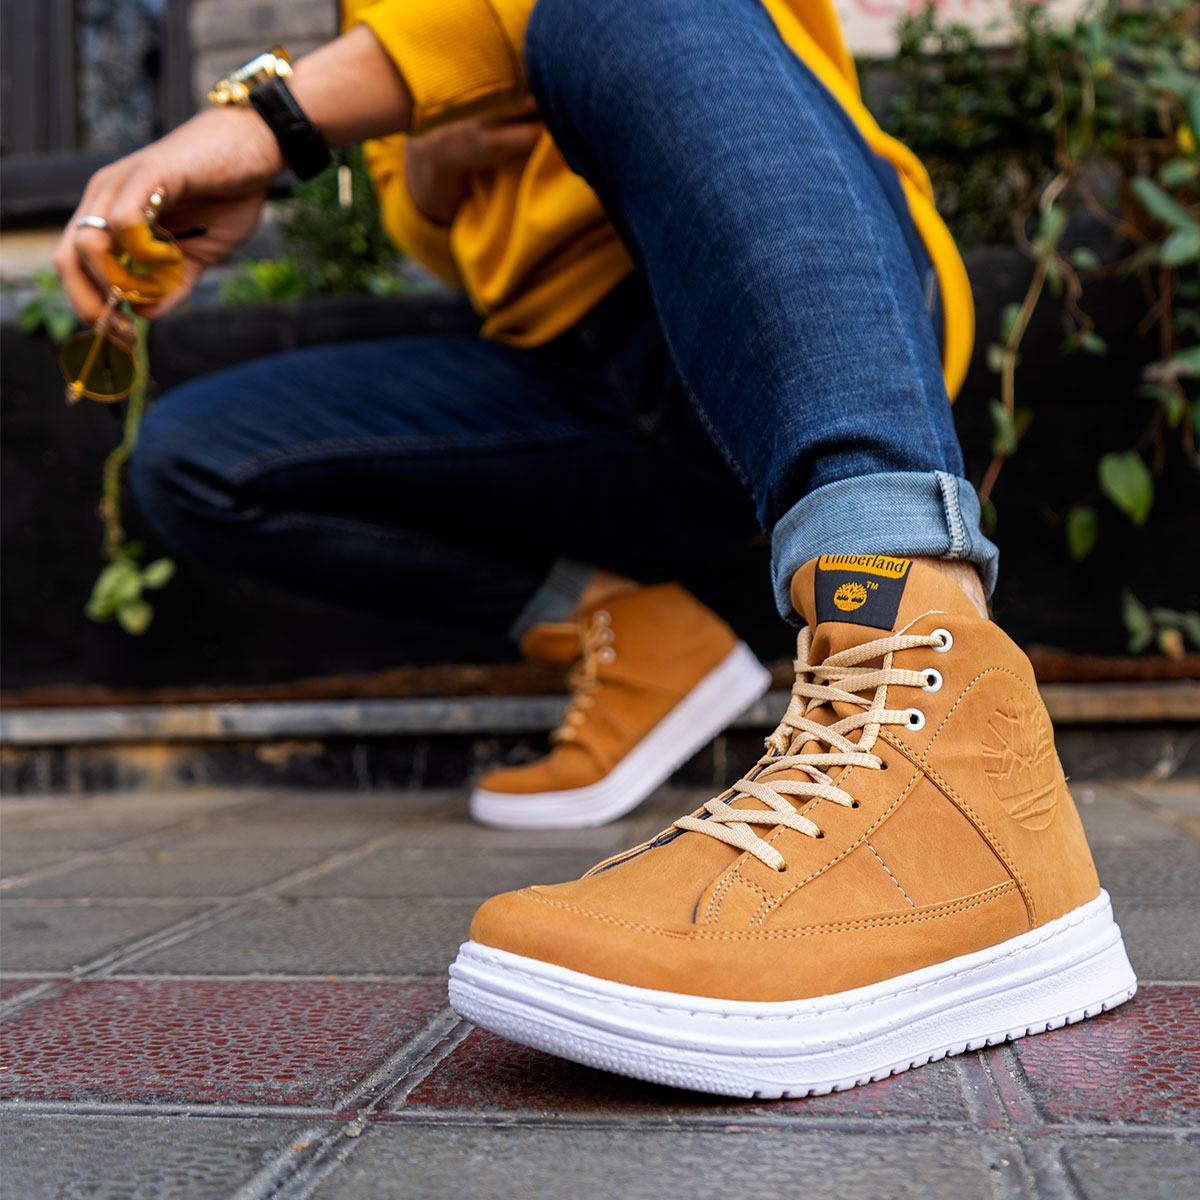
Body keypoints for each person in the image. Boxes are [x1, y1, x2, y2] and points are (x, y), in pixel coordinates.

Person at [56, 0, 1135, 1098]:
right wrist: (430, 152)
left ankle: (931, 695)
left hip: (794, 311)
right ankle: (632, 635)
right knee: (193, 459)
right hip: (575, 370)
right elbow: (440, 225)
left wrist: (275, 118)